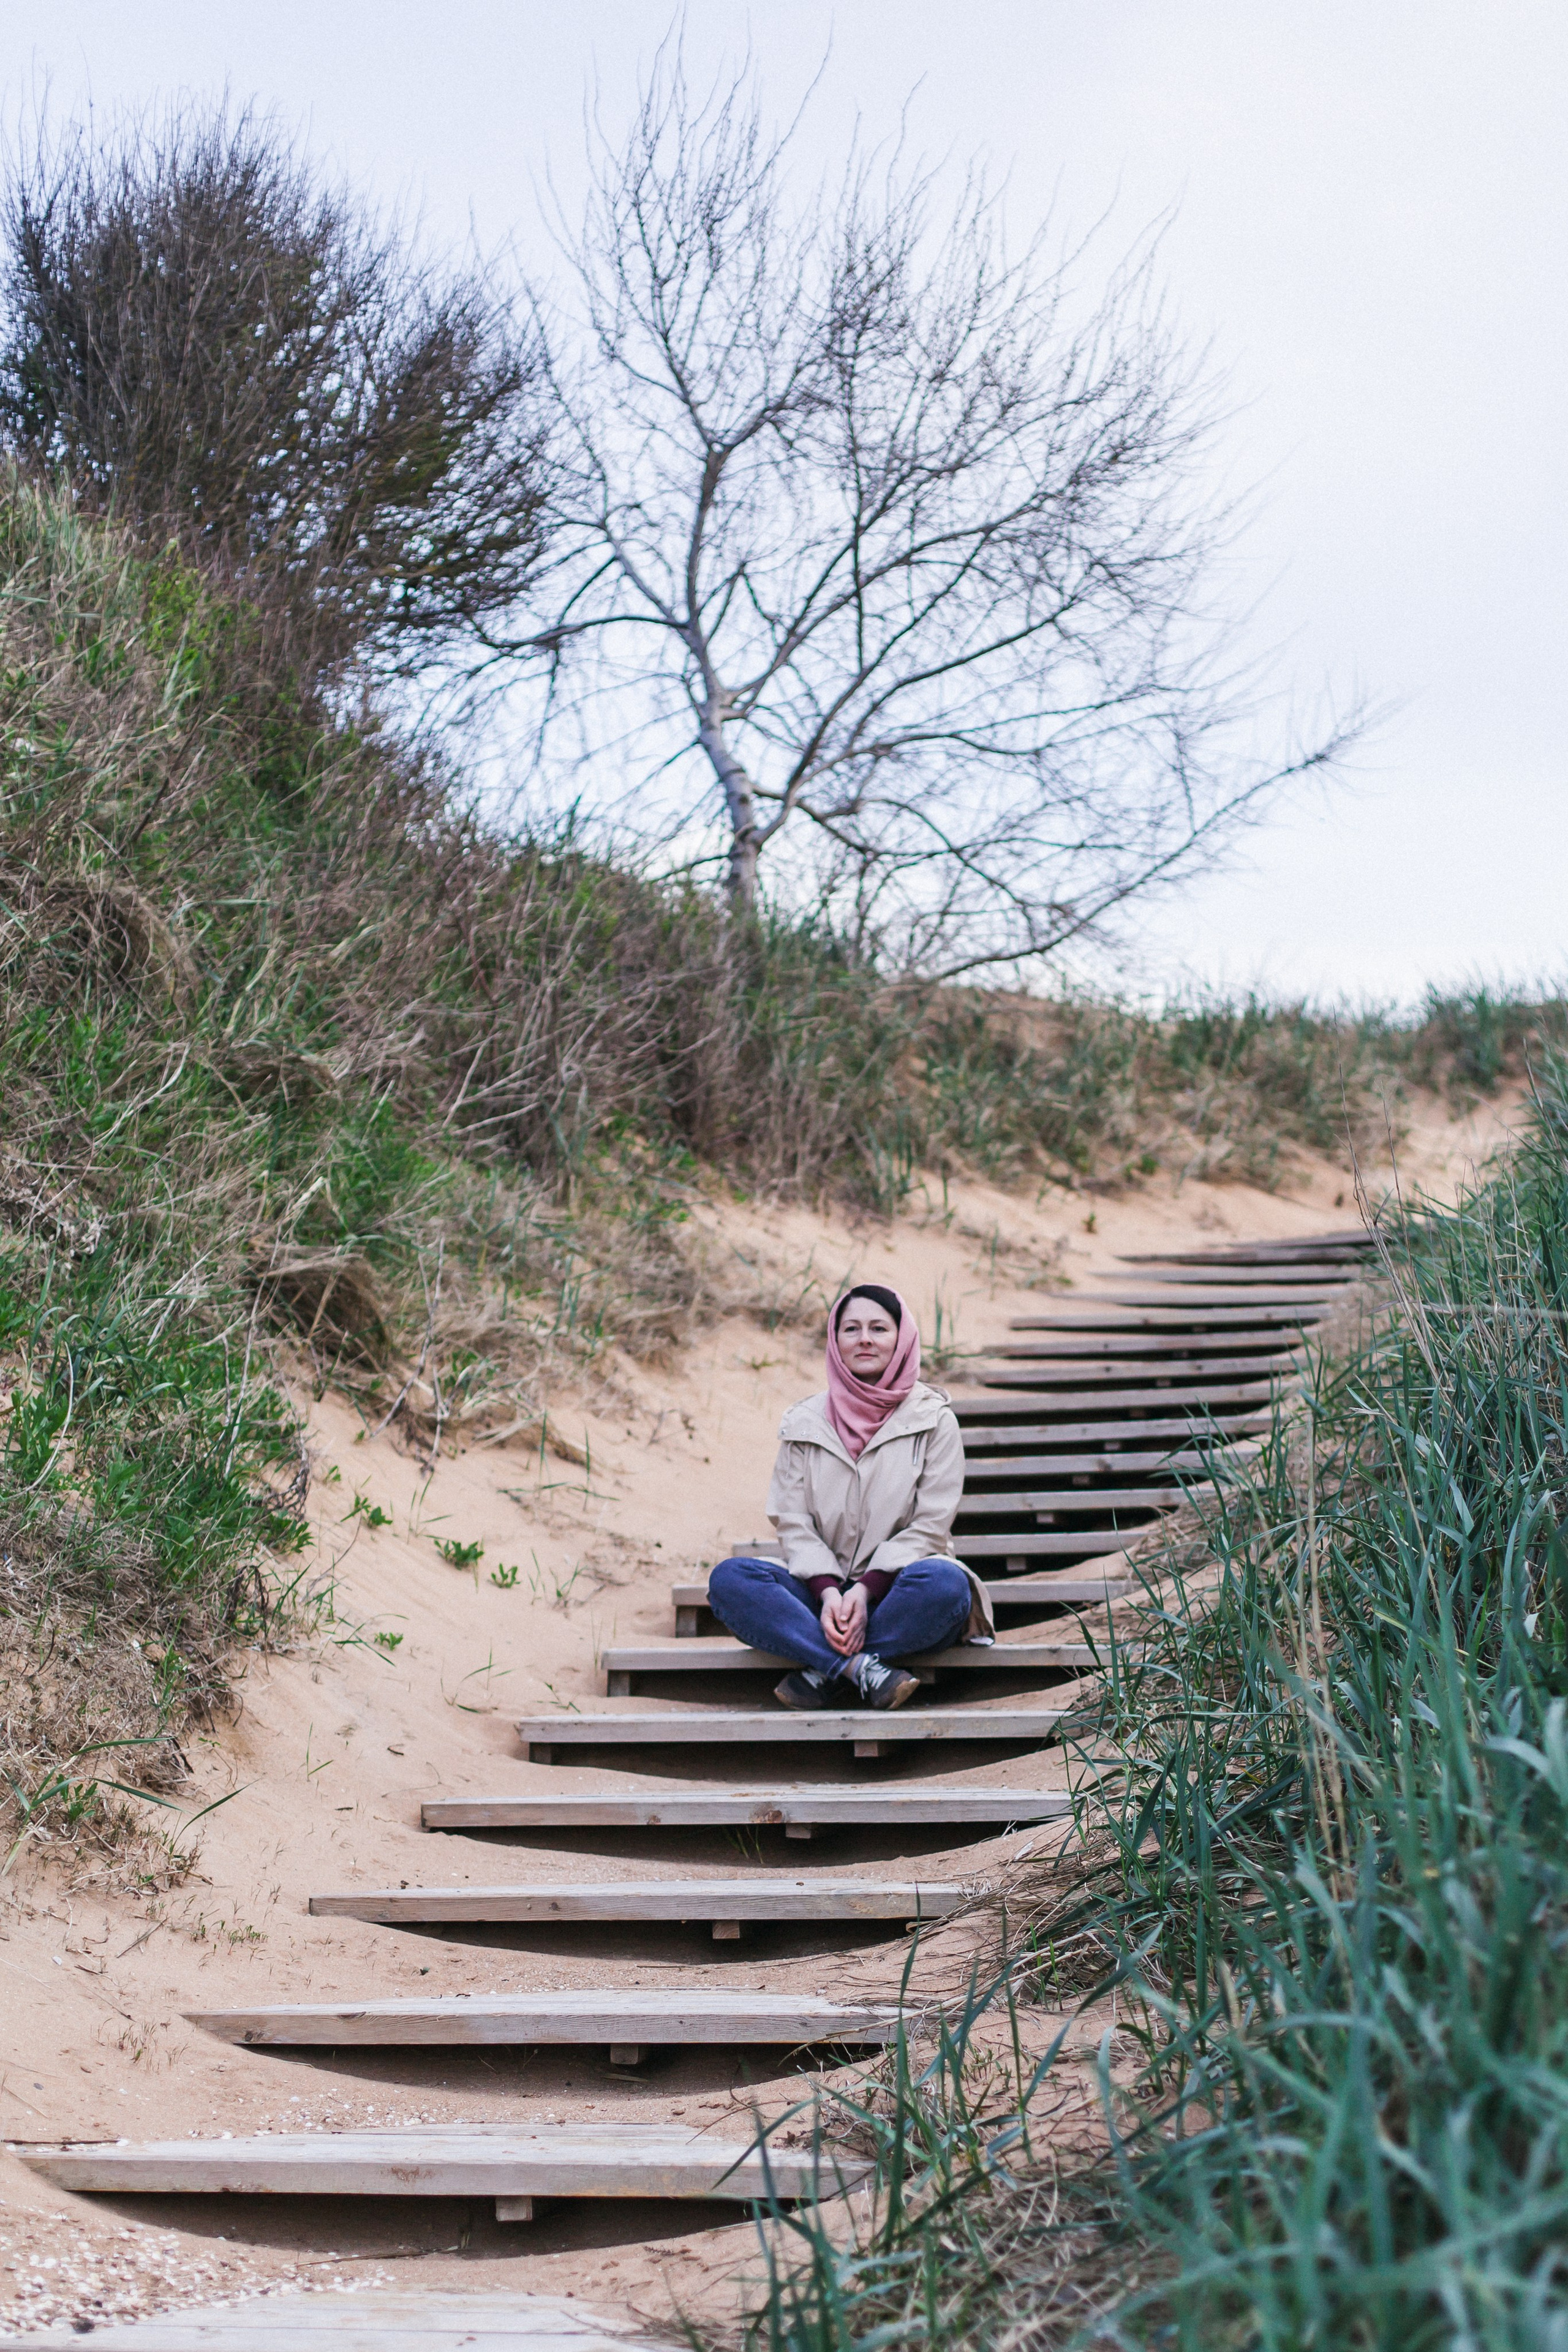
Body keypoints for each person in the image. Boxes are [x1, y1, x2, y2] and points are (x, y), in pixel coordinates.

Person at [708, 1284, 995, 1710]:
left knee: (946, 1585)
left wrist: (864, 1592)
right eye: (851, 1329)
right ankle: (860, 1670)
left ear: (902, 1338)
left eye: (879, 1328)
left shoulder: (935, 1420)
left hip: (899, 1593)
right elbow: (792, 1520)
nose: (864, 1339)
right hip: (820, 1593)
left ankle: (821, 1666)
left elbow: (932, 1525)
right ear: (835, 1340)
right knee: (731, 1580)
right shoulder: (803, 1423)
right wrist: (829, 1593)